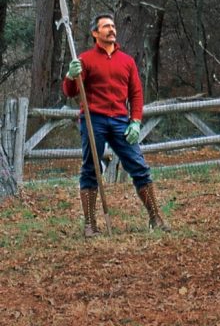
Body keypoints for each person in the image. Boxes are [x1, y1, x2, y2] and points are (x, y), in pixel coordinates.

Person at [62, 13, 170, 237]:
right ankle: (90, 225)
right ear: (95, 33)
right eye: (106, 27)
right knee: (91, 169)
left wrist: (136, 121)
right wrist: (70, 76)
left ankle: (155, 218)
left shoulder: (127, 61)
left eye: (113, 26)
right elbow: (70, 92)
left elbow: (136, 94)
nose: (112, 30)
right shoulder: (85, 59)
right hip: (94, 119)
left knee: (139, 167)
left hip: (121, 120)